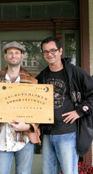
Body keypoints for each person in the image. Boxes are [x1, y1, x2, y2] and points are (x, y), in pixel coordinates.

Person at [0, 41, 41, 174]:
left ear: (22, 56)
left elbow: (39, 111)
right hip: (1, 138)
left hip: (24, 140)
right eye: (10, 53)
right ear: (5, 56)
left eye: (17, 53)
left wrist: (28, 126)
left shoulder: (32, 81)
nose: (14, 55)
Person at [36, 37, 93, 174]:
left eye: (53, 50)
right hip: (48, 133)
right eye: (45, 52)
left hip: (68, 133)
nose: (49, 54)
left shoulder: (75, 73)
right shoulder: (42, 76)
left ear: (60, 51)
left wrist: (79, 111)